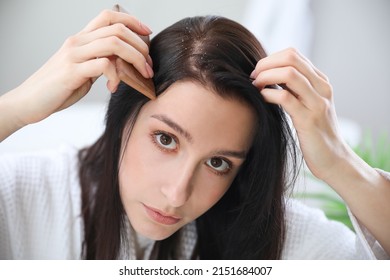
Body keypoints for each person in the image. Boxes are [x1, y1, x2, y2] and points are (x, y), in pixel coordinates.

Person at [0, 9, 389, 260]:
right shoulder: (26, 193)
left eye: (218, 163)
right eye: (166, 139)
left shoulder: (269, 235)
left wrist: (341, 163)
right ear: (124, 117)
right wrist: (14, 109)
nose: (177, 194)